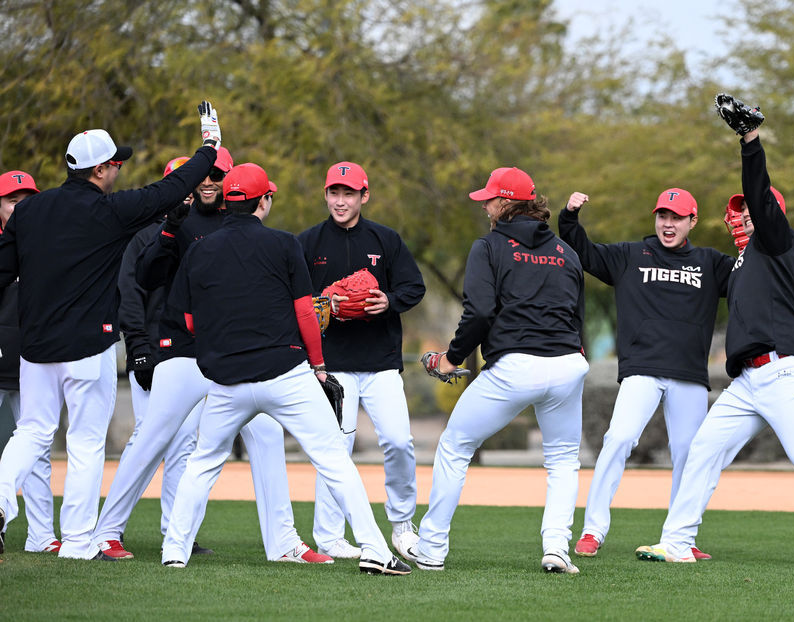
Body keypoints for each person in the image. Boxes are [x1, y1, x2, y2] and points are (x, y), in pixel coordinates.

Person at [635, 98, 794, 568]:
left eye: (749, 210)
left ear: (769, 213)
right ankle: (676, 541)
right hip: (748, 382)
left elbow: (762, 197)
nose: (740, 215)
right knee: (704, 450)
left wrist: (750, 141)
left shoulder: (776, 242)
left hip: (784, 373)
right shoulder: (745, 260)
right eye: (739, 212)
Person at [159, 162, 409, 575]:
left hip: (226, 379)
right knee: (333, 459)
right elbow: (305, 314)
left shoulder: (200, 249)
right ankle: (376, 553)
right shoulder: (284, 244)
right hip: (284, 373)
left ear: (226, 200)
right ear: (264, 201)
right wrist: (320, 365)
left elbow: (186, 321)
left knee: (202, 463)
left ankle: (174, 552)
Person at [0, 106, 221, 559]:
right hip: (87, 345)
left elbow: (2, 271)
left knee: (32, 432)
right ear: (99, 169)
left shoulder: (29, 211)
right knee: (84, 442)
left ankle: (1, 499)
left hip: (36, 345)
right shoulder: (111, 211)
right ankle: (78, 542)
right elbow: (173, 188)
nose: (118, 170)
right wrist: (209, 148)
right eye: (115, 164)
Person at [95, 151, 313, 564]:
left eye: (218, 174)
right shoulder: (175, 221)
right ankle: (106, 534)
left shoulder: (245, 225)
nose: (209, 181)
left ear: (231, 181)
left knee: (265, 437)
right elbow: (144, 278)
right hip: (184, 352)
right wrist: (168, 232)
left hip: (239, 355)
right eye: (204, 175)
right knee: (153, 436)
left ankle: (283, 543)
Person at [410, 166, 589, 574]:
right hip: (568, 365)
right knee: (563, 460)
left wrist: (451, 359)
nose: (485, 205)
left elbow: (480, 312)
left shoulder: (489, 246)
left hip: (516, 367)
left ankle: (432, 548)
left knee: (455, 448)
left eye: (490, 199)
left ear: (507, 204)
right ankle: (556, 548)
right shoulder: (566, 252)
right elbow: (576, 316)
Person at [558, 188, 733, 559]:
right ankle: (593, 530)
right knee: (618, 439)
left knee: (689, 455)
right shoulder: (630, 255)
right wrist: (570, 217)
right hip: (643, 370)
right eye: (663, 216)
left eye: (677, 217)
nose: (668, 224)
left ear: (692, 222)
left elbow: (753, 280)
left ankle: (681, 537)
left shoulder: (711, 262)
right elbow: (585, 253)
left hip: (689, 374)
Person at [297, 161, 425, 561]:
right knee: (336, 448)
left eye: (348, 193)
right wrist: (320, 305)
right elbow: (293, 297)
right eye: (334, 192)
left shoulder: (385, 239)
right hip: (331, 362)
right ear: (326, 195)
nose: (340, 200)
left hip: (381, 361)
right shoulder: (308, 242)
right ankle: (330, 536)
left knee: (400, 442)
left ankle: (402, 525)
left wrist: (389, 301)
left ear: (363, 196)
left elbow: (413, 286)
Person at [0, 170, 59, 554]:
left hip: (31, 360)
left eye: (27, 199)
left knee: (38, 450)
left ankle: (41, 536)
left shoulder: (43, 244)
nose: (20, 206)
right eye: (12, 200)